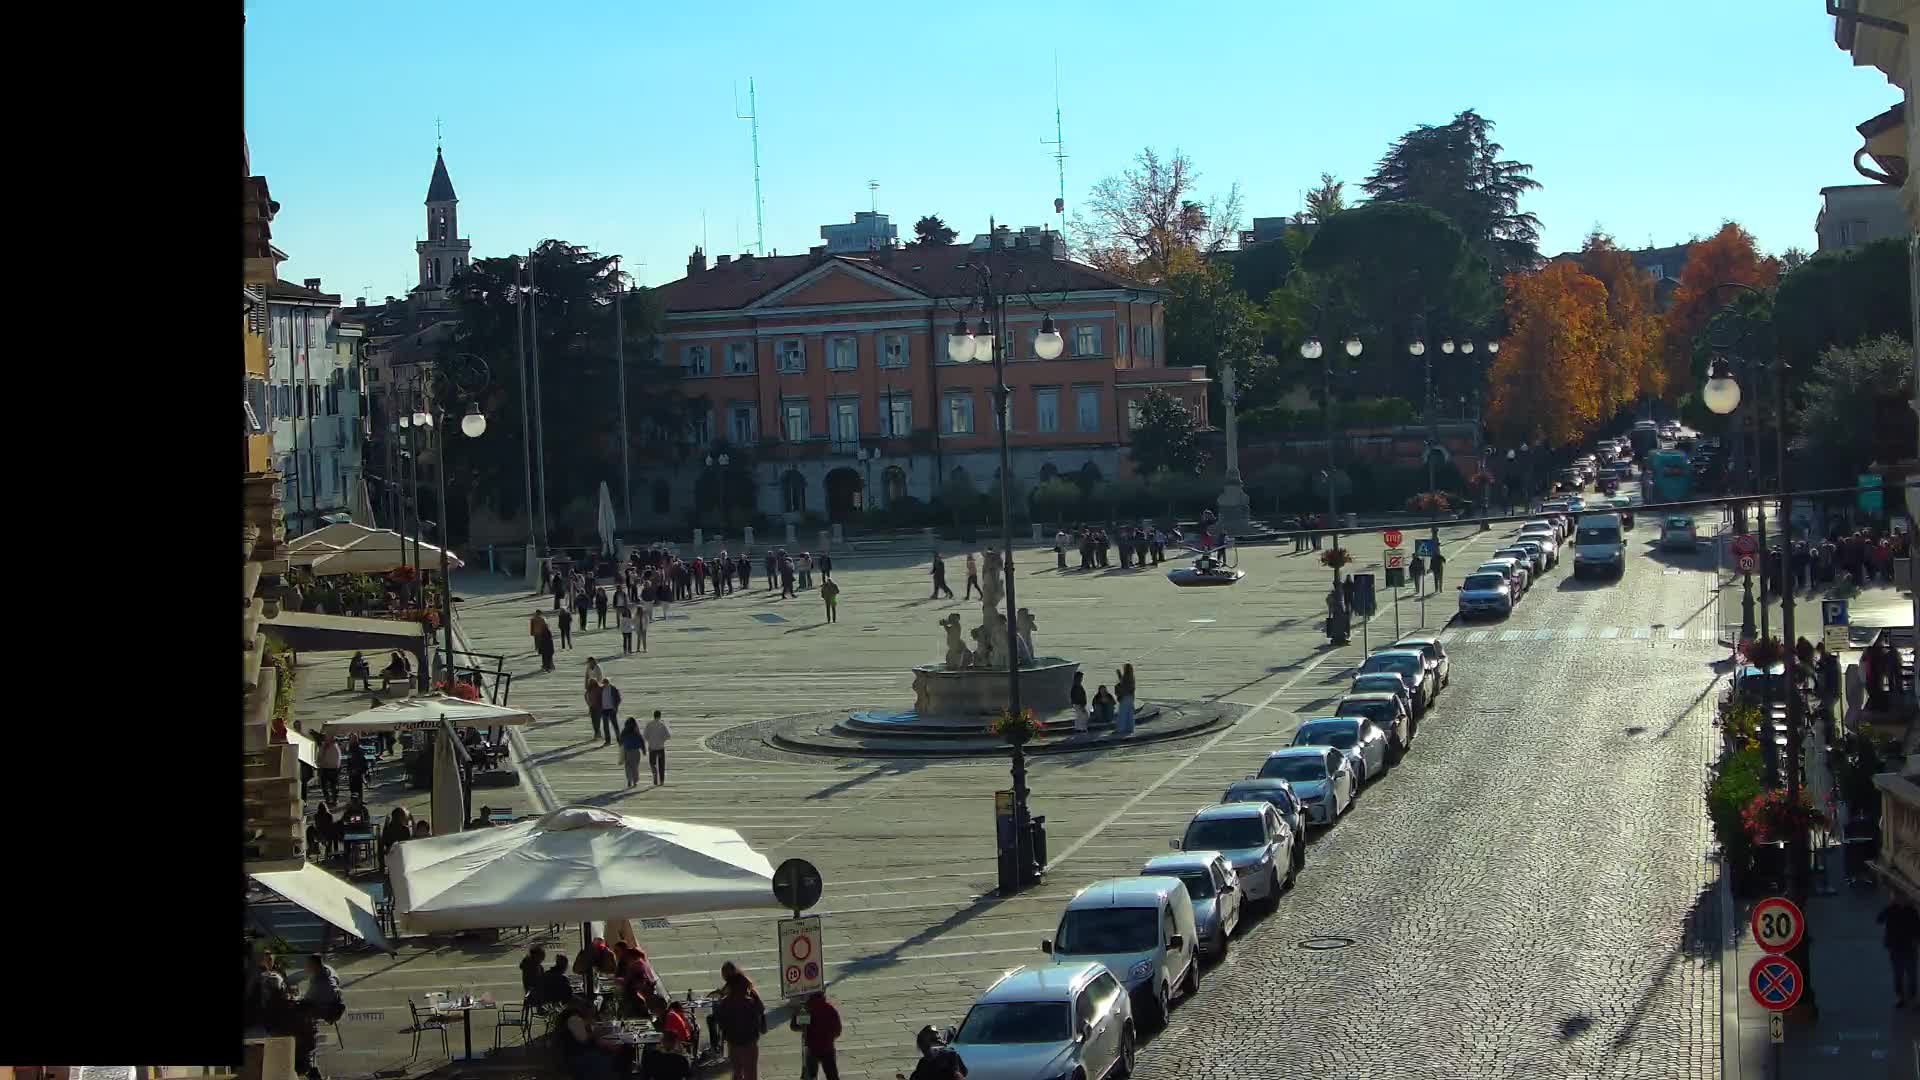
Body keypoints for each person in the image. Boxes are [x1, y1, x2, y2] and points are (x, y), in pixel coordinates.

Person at [712, 966, 766, 1080]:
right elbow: (760, 1010)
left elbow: (721, 1023)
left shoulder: (726, 1003)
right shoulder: (751, 1000)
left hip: (734, 1042)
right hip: (749, 1042)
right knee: (751, 1074)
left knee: (737, 1072)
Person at [1880, 893, 1920, 1006]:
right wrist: (1888, 907)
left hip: (1909, 947)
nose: (1901, 900)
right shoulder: (1891, 910)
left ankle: (1912, 996)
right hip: (1896, 947)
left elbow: (1918, 927)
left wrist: (1916, 941)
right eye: (1898, 898)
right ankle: (1900, 996)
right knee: (1898, 974)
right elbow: (1879, 919)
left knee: (1912, 975)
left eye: (1903, 898)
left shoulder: (1912, 911)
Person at [801, 990, 843, 1080]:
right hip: (827, 1048)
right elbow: (838, 1030)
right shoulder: (830, 1009)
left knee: (811, 1075)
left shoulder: (807, 1009)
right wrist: (830, 1038)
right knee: (832, 1076)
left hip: (812, 1048)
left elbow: (796, 1026)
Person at [645, 709, 671, 785]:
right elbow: (668, 736)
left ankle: (654, 773)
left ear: (654, 716)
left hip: (652, 748)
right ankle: (662, 780)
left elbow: (645, 736)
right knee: (661, 764)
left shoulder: (649, 724)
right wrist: (662, 740)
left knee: (652, 763)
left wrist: (650, 740)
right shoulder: (662, 725)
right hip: (660, 748)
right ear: (660, 716)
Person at [619, 716, 646, 788]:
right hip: (636, 751)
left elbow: (620, 740)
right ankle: (634, 781)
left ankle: (629, 780)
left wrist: (621, 747)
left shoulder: (624, 731)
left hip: (627, 750)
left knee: (628, 766)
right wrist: (643, 750)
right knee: (635, 767)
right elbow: (641, 740)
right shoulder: (636, 731)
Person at [316, 735, 342, 804]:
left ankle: (334, 799)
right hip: (326, 768)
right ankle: (329, 799)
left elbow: (337, 759)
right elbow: (319, 757)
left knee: (333, 786)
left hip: (332, 769)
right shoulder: (324, 746)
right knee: (326, 786)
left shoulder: (334, 747)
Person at [1114, 663, 1137, 737]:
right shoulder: (1132, 677)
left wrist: (1119, 674)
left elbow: (1123, 685)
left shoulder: (1126, 677)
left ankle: (1120, 729)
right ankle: (1130, 728)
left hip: (1125, 697)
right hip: (1131, 697)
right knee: (1130, 714)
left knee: (1122, 713)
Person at [599, 679, 624, 746]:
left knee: (615, 725)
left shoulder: (613, 689)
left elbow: (618, 699)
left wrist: (615, 707)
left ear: (608, 683)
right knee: (605, 726)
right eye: (603, 683)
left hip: (611, 709)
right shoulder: (601, 689)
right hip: (604, 710)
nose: (604, 685)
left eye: (605, 683)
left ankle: (619, 740)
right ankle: (608, 741)